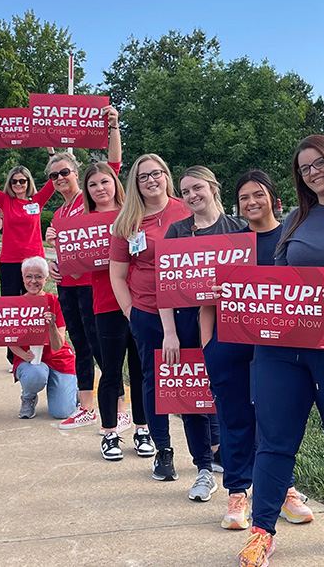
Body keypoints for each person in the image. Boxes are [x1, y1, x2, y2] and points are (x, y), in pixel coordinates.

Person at [238, 136, 324, 567]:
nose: (313, 172)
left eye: (320, 162)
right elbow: (279, 281)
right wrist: (235, 295)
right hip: (284, 347)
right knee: (276, 441)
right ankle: (262, 531)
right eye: (304, 168)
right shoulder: (295, 219)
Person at [203, 170, 314, 529]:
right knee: (234, 418)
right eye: (245, 197)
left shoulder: (293, 236)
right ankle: (237, 493)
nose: (251, 202)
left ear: (274, 199)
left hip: (279, 345)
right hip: (230, 343)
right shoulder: (229, 241)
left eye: (258, 195)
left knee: (275, 421)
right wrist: (209, 344)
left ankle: (284, 491)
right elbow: (206, 299)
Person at [43, 105, 129, 431]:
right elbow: (68, 250)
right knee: (79, 345)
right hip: (68, 286)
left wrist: (114, 127)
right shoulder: (60, 214)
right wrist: (54, 260)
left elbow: (114, 165)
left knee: (102, 349)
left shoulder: (90, 200)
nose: (60, 178)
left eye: (65, 172)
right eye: (54, 175)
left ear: (77, 174)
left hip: (96, 286)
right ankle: (87, 407)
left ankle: (119, 408)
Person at [109, 154, 192, 477]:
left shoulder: (185, 209)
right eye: (143, 176)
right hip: (147, 312)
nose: (151, 180)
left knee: (198, 376)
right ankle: (164, 449)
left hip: (190, 311)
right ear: (135, 183)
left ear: (166, 176)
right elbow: (117, 275)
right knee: (154, 380)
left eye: (156, 173)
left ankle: (212, 447)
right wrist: (131, 312)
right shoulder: (127, 221)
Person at [160, 165, 237, 503]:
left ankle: (242, 468)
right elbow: (163, 287)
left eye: (197, 188)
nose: (192, 195)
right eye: (186, 191)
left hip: (232, 328)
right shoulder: (177, 231)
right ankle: (203, 468)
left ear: (213, 187)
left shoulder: (238, 228)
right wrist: (169, 334)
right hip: (187, 327)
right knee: (190, 400)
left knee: (234, 397)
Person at [80, 161, 150, 459]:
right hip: (106, 303)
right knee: (110, 371)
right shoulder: (81, 223)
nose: (99, 189)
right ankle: (109, 433)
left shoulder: (135, 215)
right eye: (93, 184)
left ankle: (143, 429)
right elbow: (73, 269)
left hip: (140, 302)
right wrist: (59, 268)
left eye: (104, 182)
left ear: (116, 184)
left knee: (140, 370)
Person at [0, 135, 57, 368]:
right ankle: (14, 355)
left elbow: (53, 180)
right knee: (13, 308)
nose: (18, 185)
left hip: (34, 262)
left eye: (22, 181)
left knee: (35, 306)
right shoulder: (5, 201)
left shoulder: (37, 201)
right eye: (14, 182)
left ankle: (36, 349)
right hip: (11, 262)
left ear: (28, 182)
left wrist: (51, 150)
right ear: (10, 184)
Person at [11, 256, 78, 421]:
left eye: (39, 277)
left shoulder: (55, 302)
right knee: (35, 374)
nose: (33, 281)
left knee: (61, 412)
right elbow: (8, 338)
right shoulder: (14, 303)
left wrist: (51, 326)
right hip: (30, 361)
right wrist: (21, 354)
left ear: (46, 279)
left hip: (58, 359)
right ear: (23, 277)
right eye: (29, 276)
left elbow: (57, 345)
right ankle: (28, 396)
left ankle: (72, 390)